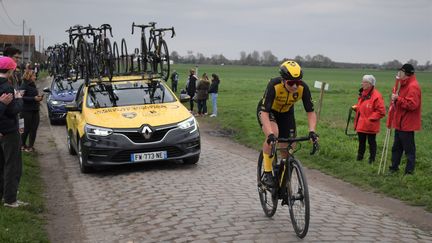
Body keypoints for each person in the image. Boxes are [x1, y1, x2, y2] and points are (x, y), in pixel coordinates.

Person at [257, 60, 318, 187]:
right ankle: (268, 172)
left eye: (298, 82)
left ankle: (284, 180)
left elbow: (311, 111)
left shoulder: (303, 88)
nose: (295, 86)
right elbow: (264, 113)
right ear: (283, 80)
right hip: (269, 112)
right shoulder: (274, 85)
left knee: (289, 147)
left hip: (286, 113)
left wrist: (312, 131)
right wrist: (270, 135)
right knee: (274, 134)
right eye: (291, 83)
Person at [0, 56, 27, 208]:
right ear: (10, 70)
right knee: (13, 166)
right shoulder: (7, 87)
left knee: (1, 165)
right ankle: (10, 199)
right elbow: (13, 111)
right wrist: (19, 99)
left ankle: (4, 196)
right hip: (9, 131)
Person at [388, 64, 422, 175]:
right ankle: (394, 168)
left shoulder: (413, 86)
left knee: (409, 150)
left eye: (401, 72)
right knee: (396, 148)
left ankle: (409, 172)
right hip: (399, 123)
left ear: (407, 73)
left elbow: (412, 105)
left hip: (407, 124)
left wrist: (398, 99)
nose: (399, 74)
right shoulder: (402, 85)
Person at [352, 75, 386, 164]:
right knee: (361, 142)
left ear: (370, 84)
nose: (362, 83)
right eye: (362, 81)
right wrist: (357, 108)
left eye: (364, 82)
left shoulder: (377, 96)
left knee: (371, 143)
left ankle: (372, 160)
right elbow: (362, 106)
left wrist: (370, 119)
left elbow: (381, 111)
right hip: (361, 123)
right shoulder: (363, 93)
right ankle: (359, 158)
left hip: (370, 124)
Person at [19, 70, 43, 152]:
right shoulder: (24, 85)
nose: (35, 77)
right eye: (34, 76)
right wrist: (33, 98)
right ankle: (22, 145)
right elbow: (20, 97)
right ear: (29, 76)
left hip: (35, 110)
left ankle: (30, 146)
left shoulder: (33, 85)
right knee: (25, 129)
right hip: (26, 111)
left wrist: (38, 98)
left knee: (34, 129)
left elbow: (33, 95)